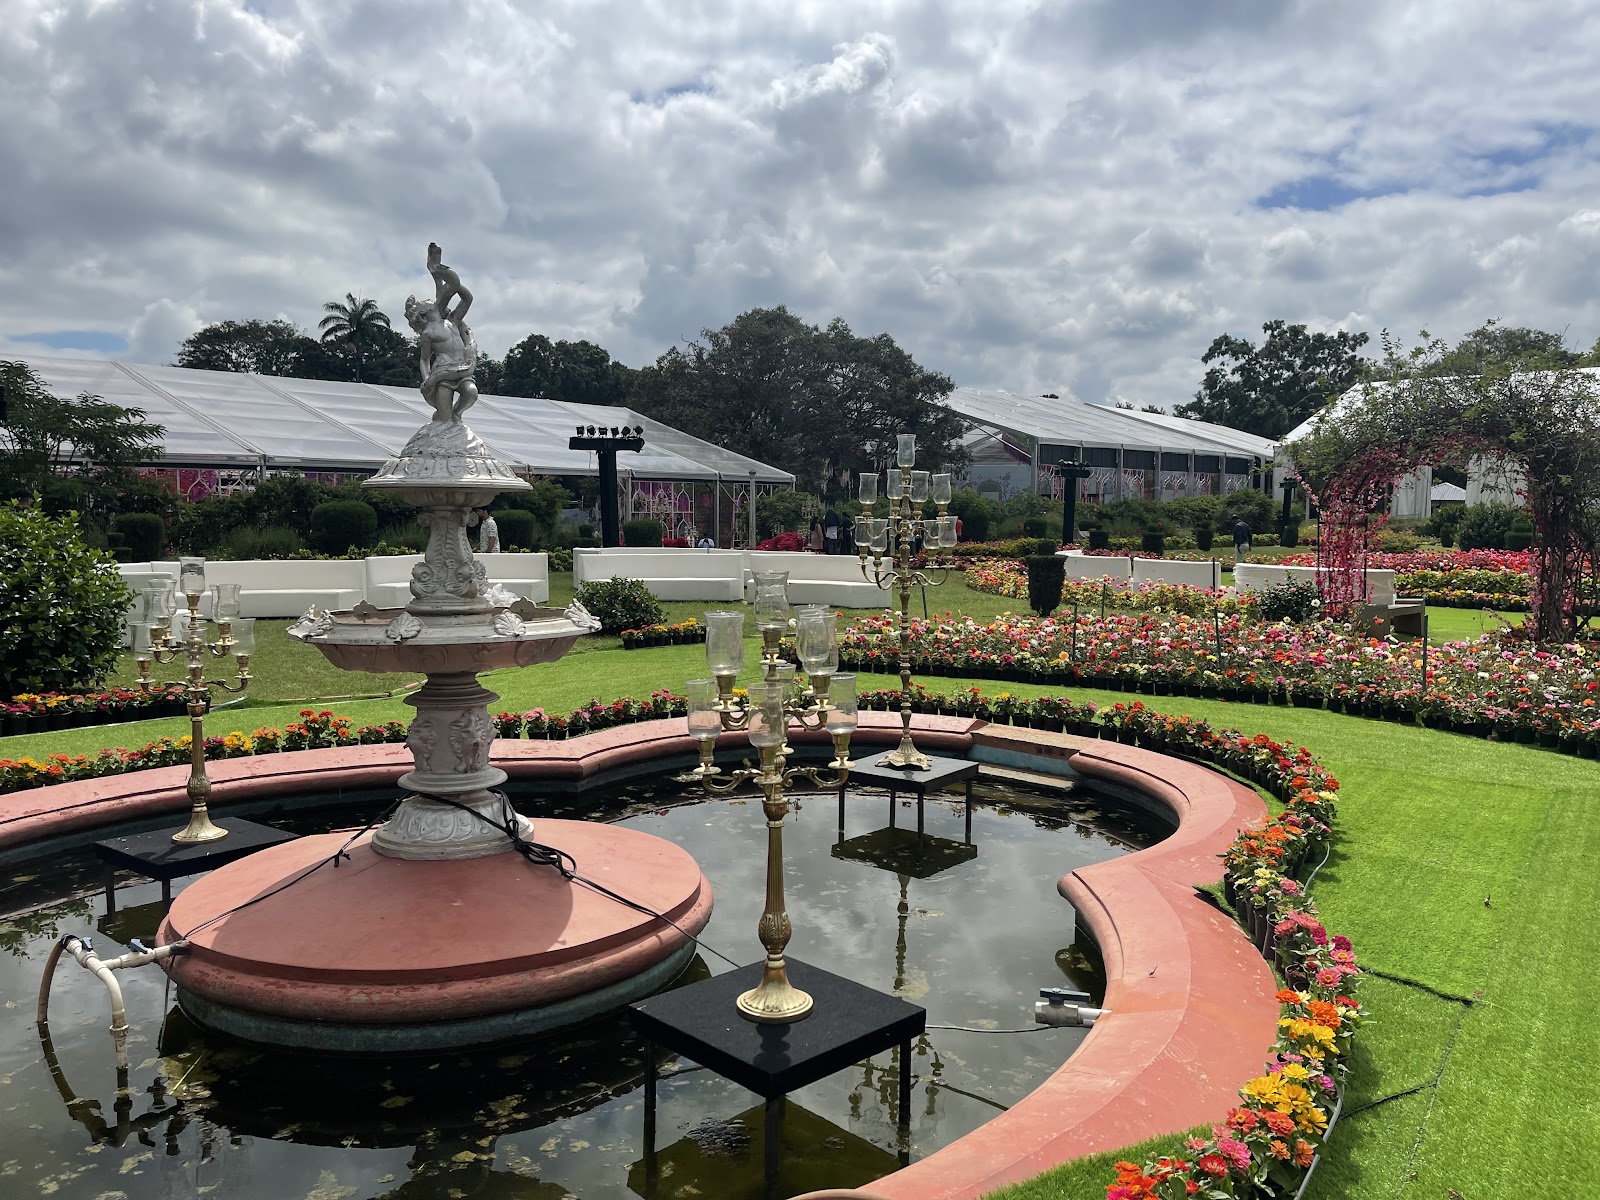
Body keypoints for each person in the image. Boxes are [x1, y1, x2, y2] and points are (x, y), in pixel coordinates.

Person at [405, 242, 480, 423]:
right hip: (442, 373)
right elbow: (424, 359)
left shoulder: (452, 320)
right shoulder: (428, 333)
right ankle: (446, 425)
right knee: (444, 419)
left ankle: (457, 413)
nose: (430, 301)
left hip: (462, 369)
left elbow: (467, 298)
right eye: (425, 303)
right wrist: (427, 379)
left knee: (471, 393)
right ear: (423, 313)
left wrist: (450, 282)